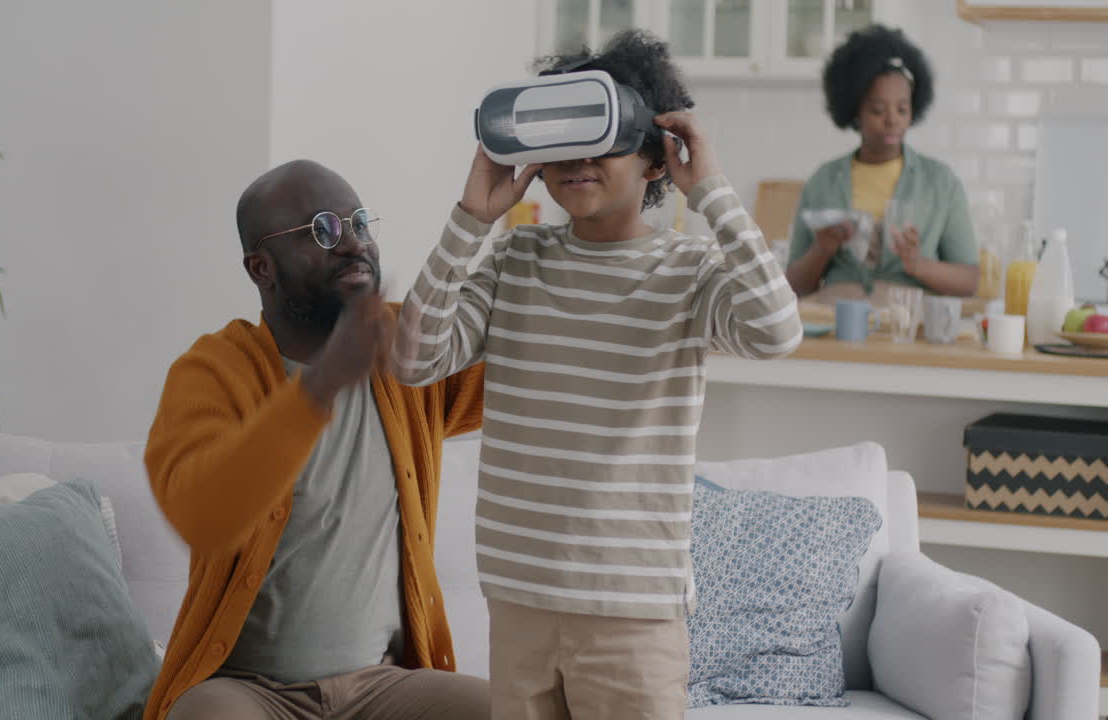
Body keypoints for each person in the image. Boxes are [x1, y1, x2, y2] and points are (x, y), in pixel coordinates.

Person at [395, 30, 802, 719]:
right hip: (520, 600)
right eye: (562, 136)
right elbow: (414, 358)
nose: (578, 157)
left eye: (606, 135)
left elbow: (776, 330)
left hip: (633, 614)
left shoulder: (688, 272)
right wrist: (471, 221)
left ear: (656, 160)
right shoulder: (514, 259)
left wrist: (712, 194)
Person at [143, 160, 488, 720]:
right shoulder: (212, 371)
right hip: (245, 690)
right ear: (262, 268)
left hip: (382, 686)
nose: (353, 245)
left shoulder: (403, 346)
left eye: (359, 223)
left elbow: (536, 363)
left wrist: (490, 215)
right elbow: (202, 514)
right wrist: (322, 384)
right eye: (324, 231)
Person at [785, 24, 979, 303]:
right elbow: (793, 287)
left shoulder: (941, 182)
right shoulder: (822, 181)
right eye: (878, 110)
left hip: (906, 328)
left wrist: (918, 264)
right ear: (855, 111)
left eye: (902, 108)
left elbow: (969, 282)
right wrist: (822, 249)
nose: (892, 120)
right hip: (834, 324)